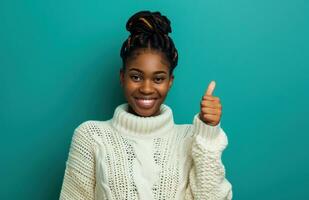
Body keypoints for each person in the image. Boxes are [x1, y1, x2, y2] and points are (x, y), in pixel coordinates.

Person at [59, 10, 232, 200]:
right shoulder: (91, 137)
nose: (147, 88)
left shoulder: (191, 138)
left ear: (170, 82)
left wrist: (208, 133)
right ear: (122, 77)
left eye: (158, 78)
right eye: (136, 77)